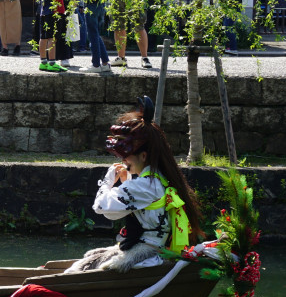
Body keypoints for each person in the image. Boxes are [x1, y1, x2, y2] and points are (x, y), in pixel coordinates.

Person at [66, 97, 203, 274]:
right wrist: (127, 178)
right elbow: (137, 204)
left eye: (126, 156)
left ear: (144, 156)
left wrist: (108, 180)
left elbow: (102, 207)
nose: (122, 161)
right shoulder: (157, 177)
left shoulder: (145, 185)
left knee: (83, 270)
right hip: (147, 245)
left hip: (148, 251)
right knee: (89, 258)